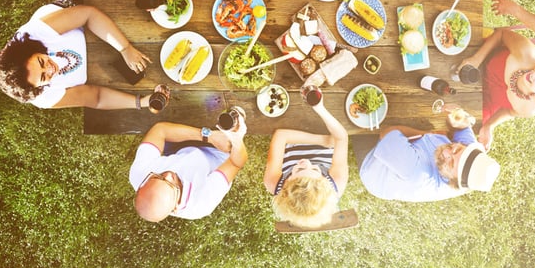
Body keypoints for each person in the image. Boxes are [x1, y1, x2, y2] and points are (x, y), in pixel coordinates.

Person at [0, 2, 161, 110]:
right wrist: (142, 102)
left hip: (80, 14)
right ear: (38, 88)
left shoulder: (35, 34)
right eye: (44, 77)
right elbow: (96, 98)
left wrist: (125, 48)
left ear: (29, 51)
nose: (50, 68)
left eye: (41, 61)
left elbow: (89, 14)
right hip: (97, 62)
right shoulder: (45, 98)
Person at [457, 27, 535, 150]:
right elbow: (501, 34)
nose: (534, 75)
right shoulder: (527, 52)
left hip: (486, 100)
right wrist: (476, 60)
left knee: (460, 124)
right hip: (481, 55)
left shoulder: (529, 109)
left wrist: (490, 125)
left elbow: (509, 112)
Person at [357, 111, 500, 202]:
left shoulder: (418, 173)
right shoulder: (467, 160)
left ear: (453, 181)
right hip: (407, 152)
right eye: (457, 149)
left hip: (373, 167)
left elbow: (387, 133)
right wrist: (459, 119)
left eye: (450, 163)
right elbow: (462, 125)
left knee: (360, 121)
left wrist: (426, 133)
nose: (446, 152)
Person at [130, 120, 248, 222]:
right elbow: (235, 163)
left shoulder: (139, 174)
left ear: (142, 186)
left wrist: (209, 136)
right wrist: (236, 139)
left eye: (158, 177)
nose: (169, 174)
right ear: (175, 207)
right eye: (172, 185)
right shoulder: (201, 202)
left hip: (180, 147)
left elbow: (160, 130)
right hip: (218, 153)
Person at [263, 96, 348, 228]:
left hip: (294, 129)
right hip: (323, 129)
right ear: (325, 181)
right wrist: (319, 108)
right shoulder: (337, 182)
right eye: (315, 170)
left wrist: (325, 141)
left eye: (299, 169)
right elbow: (341, 138)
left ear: (285, 184)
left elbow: (281, 135)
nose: (306, 162)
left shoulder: (273, 183)